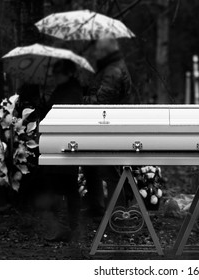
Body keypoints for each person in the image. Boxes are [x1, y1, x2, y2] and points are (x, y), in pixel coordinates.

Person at [82, 36, 132, 218]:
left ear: (105, 51)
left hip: (111, 125)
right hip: (109, 124)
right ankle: (99, 208)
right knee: (93, 165)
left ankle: (117, 214)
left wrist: (81, 100)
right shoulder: (111, 67)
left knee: (107, 169)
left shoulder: (113, 70)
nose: (95, 53)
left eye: (98, 50)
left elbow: (102, 101)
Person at [41, 59, 83, 241]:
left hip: (64, 143)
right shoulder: (64, 90)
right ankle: (65, 227)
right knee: (61, 186)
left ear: (67, 74)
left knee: (66, 186)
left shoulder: (71, 92)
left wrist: (46, 107)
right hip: (59, 142)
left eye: (58, 73)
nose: (55, 77)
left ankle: (68, 228)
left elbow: (60, 114)